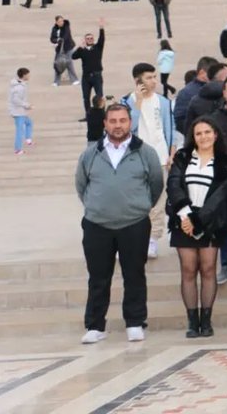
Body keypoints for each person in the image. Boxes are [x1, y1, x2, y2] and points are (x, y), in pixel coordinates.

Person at [75, 103, 163, 344]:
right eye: (112, 121)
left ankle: (135, 323)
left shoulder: (146, 152)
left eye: (122, 120)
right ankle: (95, 325)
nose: (117, 125)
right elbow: (81, 186)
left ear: (130, 122)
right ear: (105, 123)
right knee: (98, 276)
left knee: (134, 274)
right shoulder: (90, 154)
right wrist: (98, 206)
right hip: (97, 225)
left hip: (134, 223)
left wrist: (139, 206)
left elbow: (156, 184)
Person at [166, 117, 227, 338]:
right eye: (198, 133)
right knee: (188, 269)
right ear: (193, 137)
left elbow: (220, 196)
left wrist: (198, 220)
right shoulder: (183, 157)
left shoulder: (225, 162)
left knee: (207, 268)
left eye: (207, 132)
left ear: (215, 134)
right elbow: (174, 185)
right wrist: (186, 215)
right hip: (182, 219)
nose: (203, 137)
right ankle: (192, 321)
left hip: (210, 221)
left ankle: (206, 320)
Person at [124, 62, 180, 260]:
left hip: (160, 159)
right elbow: (126, 130)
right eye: (149, 78)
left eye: (154, 77)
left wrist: (172, 152)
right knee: (135, 202)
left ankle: (152, 240)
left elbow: (171, 129)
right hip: (135, 160)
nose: (154, 81)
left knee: (157, 202)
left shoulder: (163, 102)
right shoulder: (127, 102)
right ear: (137, 80)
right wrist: (137, 103)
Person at [73, 21, 107, 120]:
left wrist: (101, 28)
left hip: (97, 75)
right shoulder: (82, 50)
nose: (90, 40)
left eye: (91, 38)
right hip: (86, 77)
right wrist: (80, 47)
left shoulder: (97, 47)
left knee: (99, 95)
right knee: (86, 97)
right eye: (88, 39)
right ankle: (88, 115)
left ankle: (101, 114)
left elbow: (102, 39)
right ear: (85, 40)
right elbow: (73, 56)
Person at [8, 68, 32, 155]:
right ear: (24, 75)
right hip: (18, 112)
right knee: (20, 130)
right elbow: (16, 100)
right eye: (28, 74)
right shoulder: (19, 88)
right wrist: (27, 106)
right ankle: (18, 149)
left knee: (29, 123)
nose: (29, 76)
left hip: (21, 111)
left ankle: (28, 139)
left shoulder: (21, 84)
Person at [51, 16, 79, 86]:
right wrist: (57, 40)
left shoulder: (66, 26)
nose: (61, 22)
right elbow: (52, 38)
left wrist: (60, 40)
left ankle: (74, 79)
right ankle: (56, 81)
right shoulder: (54, 29)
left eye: (62, 21)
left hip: (68, 47)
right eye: (59, 21)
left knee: (69, 63)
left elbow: (66, 36)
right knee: (57, 64)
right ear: (56, 22)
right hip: (59, 49)